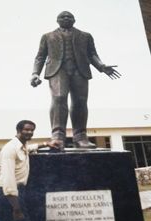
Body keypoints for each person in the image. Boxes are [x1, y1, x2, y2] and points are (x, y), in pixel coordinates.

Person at [31, 11, 121, 149]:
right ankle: (57, 136)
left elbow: (92, 54)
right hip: (57, 70)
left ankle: (80, 137)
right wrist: (35, 73)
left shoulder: (85, 36)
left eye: (69, 16)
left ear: (74, 20)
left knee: (80, 101)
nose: (66, 18)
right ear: (57, 20)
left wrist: (101, 66)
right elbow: (40, 57)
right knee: (59, 98)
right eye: (63, 16)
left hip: (80, 70)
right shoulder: (47, 36)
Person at [0, 120, 57, 221]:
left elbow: (29, 148)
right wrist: (17, 208)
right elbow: (9, 182)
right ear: (19, 130)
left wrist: (45, 144)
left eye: (32, 130)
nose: (30, 132)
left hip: (14, 193)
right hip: (6, 196)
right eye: (26, 130)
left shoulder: (22, 145)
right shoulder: (10, 149)